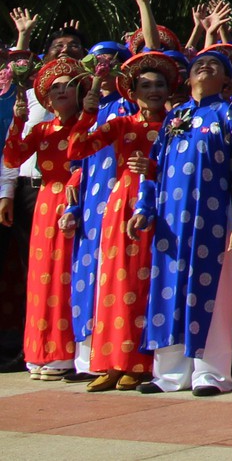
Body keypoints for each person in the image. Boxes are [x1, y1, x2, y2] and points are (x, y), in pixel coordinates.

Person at [135, 44, 232, 395]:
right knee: (168, 290)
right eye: (198, 64)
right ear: (188, 79)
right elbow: (152, 170)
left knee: (213, 296)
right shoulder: (174, 120)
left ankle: (211, 374)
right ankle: (170, 373)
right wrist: (144, 209)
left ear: (226, 81)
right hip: (170, 224)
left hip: (214, 219)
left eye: (213, 65)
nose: (204, 68)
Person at [68, 49, 176, 390]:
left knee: (143, 282)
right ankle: (110, 362)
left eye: (159, 84)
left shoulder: (176, 125)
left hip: (157, 205)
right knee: (113, 282)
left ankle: (138, 362)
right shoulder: (122, 124)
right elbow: (77, 149)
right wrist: (87, 111)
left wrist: (154, 170)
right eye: (145, 85)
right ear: (133, 92)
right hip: (120, 205)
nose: (153, 91)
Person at [4, 55, 85, 380]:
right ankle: (38, 353)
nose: (60, 91)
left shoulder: (86, 125)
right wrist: (17, 122)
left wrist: (75, 190)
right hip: (44, 202)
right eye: (54, 88)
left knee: (66, 274)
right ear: (46, 99)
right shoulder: (40, 129)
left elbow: (88, 159)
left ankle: (64, 354)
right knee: (41, 278)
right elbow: (12, 156)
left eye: (67, 86)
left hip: (73, 200)